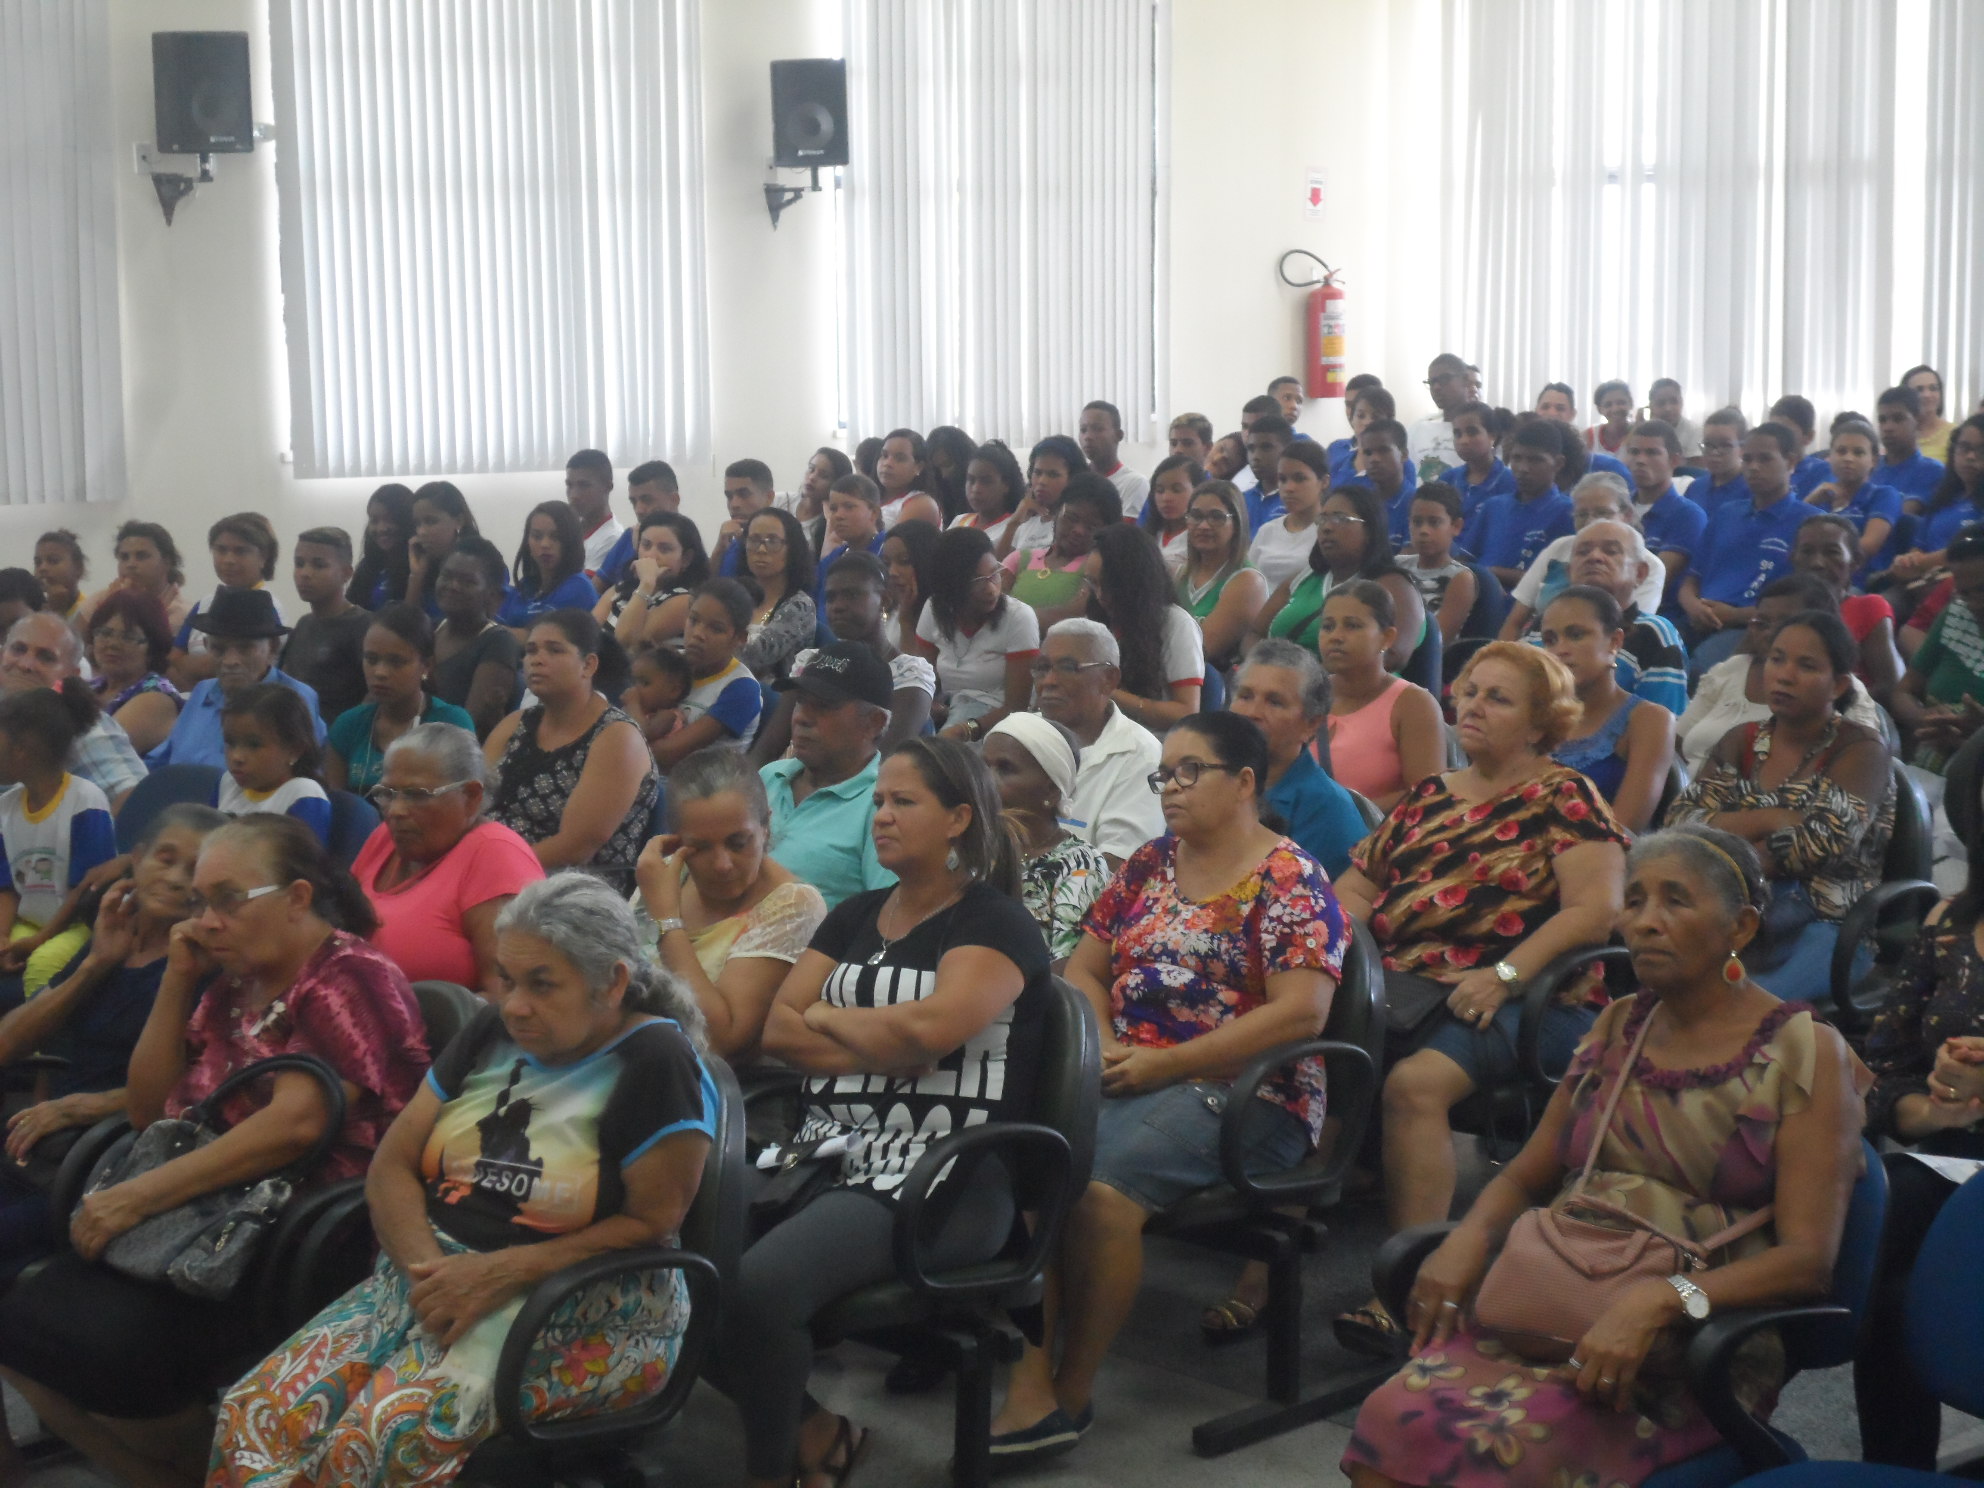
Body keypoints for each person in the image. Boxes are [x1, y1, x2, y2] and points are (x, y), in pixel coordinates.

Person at [1344, 825, 1870, 1488]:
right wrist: (1467, 1239)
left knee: (1506, 1451)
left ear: (1739, 927)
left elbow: (1807, 1262)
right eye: (1636, 899)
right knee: (1392, 1418)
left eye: (1675, 901)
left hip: (1690, 1343)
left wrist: (1663, 1300)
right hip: (1553, 1301)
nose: (1645, 922)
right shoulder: (1621, 1023)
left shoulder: (1805, 1051)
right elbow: (1529, 1173)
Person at [210, 873, 714, 1488]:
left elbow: (653, 1221)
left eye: (542, 984)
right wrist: (432, 1276)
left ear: (611, 983)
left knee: (371, 1444)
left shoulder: (655, 1060)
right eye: (506, 979)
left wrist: (498, 1273)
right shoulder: (494, 1030)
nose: (515, 1004)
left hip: (581, 1304)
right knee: (256, 1414)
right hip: (432, 1277)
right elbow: (393, 1164)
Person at [0, 815, 427, 1487]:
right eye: (200, 903)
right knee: (24, 1321)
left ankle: (203, 1463)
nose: (205, 921)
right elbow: (149, 1111)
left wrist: (135, 1197)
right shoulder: (232, 982)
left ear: (297, 898)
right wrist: (178, 981)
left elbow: (295, 1127)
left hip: (291, 1236)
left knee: (104, 1346)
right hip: (200, 1220)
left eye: (228, 900)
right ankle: (175, 1472)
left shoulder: (348, 977)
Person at [989, 713, 1349, 1460]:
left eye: (1191, 771)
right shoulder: (1151, 862)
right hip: (1128, 1066)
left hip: (1250, 1092)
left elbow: (1301, 1014)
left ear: (1244, 782)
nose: (1171, 787)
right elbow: (1085, 969)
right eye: (1165, 774)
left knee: (1099, 1193)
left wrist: (1168, 1065)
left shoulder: (1291, 879)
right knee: (1027, 1163)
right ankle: (1029, 1377)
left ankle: (1072, 1391)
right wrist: (1105, 1044)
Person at [721, 738, 1052, 1488]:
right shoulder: (856, 915)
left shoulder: (993, 923)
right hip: (824, 1149)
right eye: (878, 801)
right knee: (680, 1261)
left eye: (904, 801)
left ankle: (772, 1474)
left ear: (958, 819)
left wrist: (833, 1021)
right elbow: (780, 1030)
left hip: (944, 1171)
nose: (882, 816)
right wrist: (878, 1044)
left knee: (760, 1291)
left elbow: (928, 1033)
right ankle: (816, 1430)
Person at [1328, 643, 1628, 1356]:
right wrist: (1343, 948)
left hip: (1533, 998)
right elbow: (1358, 886)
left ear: (1540, 722)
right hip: (1405, 988)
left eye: (1498, 698)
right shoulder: (1431, 793)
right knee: (1305, 1035)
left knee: (1415, 1085)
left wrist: (1505, 975)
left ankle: (1411, 1288)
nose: (1473, 707)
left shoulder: (1566, 797)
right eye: (1469, 692)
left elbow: (1595, 911)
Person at [0, 804, 225, 1281]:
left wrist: (88, 1107)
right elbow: (8, 1044)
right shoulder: (111, 939)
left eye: (194, 870)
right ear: (136, 859)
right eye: (165, 859)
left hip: (105, 1162)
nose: (176, 879)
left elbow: (201, 1094)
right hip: (34, 1142)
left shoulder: (205, 966)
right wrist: (95, 964)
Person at [1667, 609, 1893, 999]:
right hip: (1733, 912)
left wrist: (1724, 847)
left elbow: (1819, 845)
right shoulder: (1741, 739)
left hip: (1827, 925)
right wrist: (1774, 818)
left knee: (1738, 1008)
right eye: (1777, 659)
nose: (1785, 675)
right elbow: (1681, 823)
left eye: (1806, 665)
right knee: (1663, 989)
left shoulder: (1860, 749)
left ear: (1839, 684)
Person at [1855, 833, 1984, 1468]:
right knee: (1874, 1217)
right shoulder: (1948, 922)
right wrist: (1936, 1109)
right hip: (1955, 1155)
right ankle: (1895, 1468)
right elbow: (1882, 1068)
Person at [634, 746, 827, 1060]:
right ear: (675, 841)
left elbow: (719, 1040)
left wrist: (667, 922)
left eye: (738, 843)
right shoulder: (665, 877)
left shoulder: (793, 904)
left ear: (766, 828)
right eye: (700, 848)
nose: (722, 864)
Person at [350, 722, 542, 996]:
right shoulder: (385, 838)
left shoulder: (496, 856)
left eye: (417, 795)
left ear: (471, 796)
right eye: (387, 794)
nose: (396, 810)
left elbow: (509, 998)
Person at [486, 610, 658, 895]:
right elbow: (472, 800)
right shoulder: (516, 723)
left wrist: (493, 867)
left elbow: (575, 848)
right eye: (531, 650)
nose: (536, 659)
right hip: (495, 867)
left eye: (554, 650)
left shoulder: (617, 736)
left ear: (588, 665)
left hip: (569, 890)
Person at [1678, 574, 1885, 775]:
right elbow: (1676, 744)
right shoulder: (1731, 669)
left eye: (1785, 624)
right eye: (1762, 623)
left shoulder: (1843, 688)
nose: (1770, 633)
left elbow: (1864, 763)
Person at [753, 551, 936, 762]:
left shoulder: (908, 673)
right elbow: (767, 749)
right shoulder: (813, 662)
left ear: (884, 600)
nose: (838, 606)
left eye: (852, 595)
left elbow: (883, 762)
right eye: (831, 597)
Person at [758, 642, 896, 910]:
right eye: (800, 702)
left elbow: (883, 917)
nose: (801, 718)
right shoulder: (770, 776)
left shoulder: (883, 806)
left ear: (874, 722)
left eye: (823, 706)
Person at [0, 682, 116, 999]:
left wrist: (39, 941)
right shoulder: (6, 807)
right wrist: (3, 936)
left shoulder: (85, 801)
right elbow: (6, 887)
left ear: (21, 749)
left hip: (79, 926)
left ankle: (36, 1033)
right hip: (29, 921)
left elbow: (86, 892)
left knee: (43, 964)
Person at [1677, 422, 1814, 673]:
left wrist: (1734, 615)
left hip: (1753, 626)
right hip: (1698, 618)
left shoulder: (1809, 524)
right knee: (1646, 654)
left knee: (1700, 670)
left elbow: (1804, 603)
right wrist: (1694, 607)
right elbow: (1690, 580)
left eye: (1765, 459)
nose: (1753, 467)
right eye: (1747, 459)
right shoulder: (1727, 513)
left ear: (1791, 462)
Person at [1251, 481, 1428, 675]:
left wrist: (1309, 679)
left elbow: (1394, 655)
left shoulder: (1394, 585)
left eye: (1340, 518)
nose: (1326, 527)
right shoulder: (1303, 578)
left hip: (1355, 689)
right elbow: (1254, 633)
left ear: (1370, 529)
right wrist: (1260, 666)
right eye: (1322, 519)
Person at [1540, 587, 1677, 833]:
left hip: (1602, 852)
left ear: (1615, 641)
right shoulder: (1534, 717)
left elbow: (1622, 830)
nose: (1560, 650)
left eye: (1576, 635)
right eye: (1550, 640)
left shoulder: (1648, 719)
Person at [1229, 639, 1370, 877]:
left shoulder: (1328, 812)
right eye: (1245, 696)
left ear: (1311, 724)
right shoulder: (1206, 780)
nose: (1252, 713)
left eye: (1275, 702)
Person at [1032, 619, 1164, 869]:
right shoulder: (1018, 737)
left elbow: (1120, 866)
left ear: (1109, 679)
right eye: (1042, 668)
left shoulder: (1140, 754)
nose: (1048, 681)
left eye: (1068, 667)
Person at [149, 588, 326, 771]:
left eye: (245, 649)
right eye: (219, 649)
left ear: (272, 648)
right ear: (206, 646)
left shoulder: (295, 699)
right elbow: (161, 760)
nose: (230, 661)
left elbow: (307, 775)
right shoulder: (202, 692)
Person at [979, 713, 1107, 964]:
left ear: (1050, 789)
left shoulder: (1079, 865)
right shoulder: (966, 848)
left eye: (1005, 768)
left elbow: (1067, 969)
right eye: (984, 767)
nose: (986, 781)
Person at [1320, 581, 1448, 812]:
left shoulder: (1413, 705)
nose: (1335, 636)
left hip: (1376, 832)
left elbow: (1427, 796)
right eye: (1328, 626)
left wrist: (1345, 815)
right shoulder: (1308, 694)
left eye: (1352, 626)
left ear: (1387, 638)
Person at [0, 614, 147, 810]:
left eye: (45, 657)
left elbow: (139, 802)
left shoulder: (82, 725)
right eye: (18, 649)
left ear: (72, 674)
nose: (25, 664)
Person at [325, 603, 476, 793]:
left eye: (396, 662)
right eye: (371, 659)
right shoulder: (348, 725)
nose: (380, 672)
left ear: (427, 665)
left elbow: (463, 800)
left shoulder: (451, 724)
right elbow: (337, 804)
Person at [1498, 473, 1664, 639]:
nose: (1591, 521)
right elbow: (1515, 622)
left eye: (1602, 512)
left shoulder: (1647, 564)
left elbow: (1633, 626)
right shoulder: (1559, 547)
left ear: (1627, 515)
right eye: (1582, 514)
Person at [914, 526, 1039, 741]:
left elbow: (1017, 707)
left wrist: (967, 729)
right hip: (949, 711)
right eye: (977, 580)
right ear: (950, 584)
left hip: (996, 722)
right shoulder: (934, 608)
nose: (991, 589)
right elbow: (923, 679)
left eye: (994, 574)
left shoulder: (1019, 617)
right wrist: (932, 705)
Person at [1083, 523, 1204, 733]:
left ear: (1135, 582)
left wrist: (1106, 692)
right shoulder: (1097, 616)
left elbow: (1186, 713)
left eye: (1110, 585)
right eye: (1093, 583)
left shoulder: (1175, 623)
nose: (1100, 595)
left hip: (1151, 740)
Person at [645, 579, 766, 770]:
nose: (698, 634)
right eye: (693, 620)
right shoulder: (669, 664)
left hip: (700, 783)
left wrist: (624, 740)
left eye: (716, 629)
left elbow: (668, 754)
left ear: (740, 638)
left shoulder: (742, 688)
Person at [1792, 512, 1903, 706]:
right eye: (1807, 552)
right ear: (1793, 558)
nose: (1817, 563)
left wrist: (1824, 709)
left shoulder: (1868, 607)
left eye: (1832, 552)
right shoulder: (1781, 608)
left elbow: (1889, 685)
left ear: (1855, 561)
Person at [169, 513, 285, 691]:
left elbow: (219, 666)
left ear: (263, 557)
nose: (228, 560)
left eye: (240, 551)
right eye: (221, 550)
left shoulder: (269, 607)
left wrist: (194, 667)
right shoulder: (204, 604)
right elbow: (174, 660)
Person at [429, 535, 523, 740]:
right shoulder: (430, 629)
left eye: (467, 581)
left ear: (491, 594)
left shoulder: (498, 642)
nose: (453, 586)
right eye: (446, 576)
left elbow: (468, 729)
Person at [216, 684, 333, 844]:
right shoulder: (227, 783)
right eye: (230, 743)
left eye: (254, 745)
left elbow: (303, 859)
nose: (236, 757)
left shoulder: (302, 794)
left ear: (294, 750)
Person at [1005, 473, 1122, 631]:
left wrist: (1011, 618)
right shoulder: (1020, 558)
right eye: (1071, 518)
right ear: (1057, 513)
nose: (1078, 531)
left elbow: (1070, 618)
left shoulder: (1096, 569)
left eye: (1092, 526)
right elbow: (991, 605)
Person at [280, 527, 372, 726]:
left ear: (346, 573)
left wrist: (345, 735)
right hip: (296, 734)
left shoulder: (364, 626)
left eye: (319, 565)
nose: (305, 573)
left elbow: (374, 693)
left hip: (338, 737)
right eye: (299, 564)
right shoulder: (303, 624)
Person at [1471, 420, 1578, 591]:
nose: (1523, 468)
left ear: (1558, 464)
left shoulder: (1570, 513)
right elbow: (1465, 561)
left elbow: (1564, 580)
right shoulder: (1492, 507)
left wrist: (1493, 573)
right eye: (1516, 458)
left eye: (1535, 460)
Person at [1178, 480, 1269, 674]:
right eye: (1196, 516)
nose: (1203, 525)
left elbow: (1201, 650)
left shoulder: (1247, 582)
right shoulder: (1178, 575)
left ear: (1236, 524)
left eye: (1216, 517)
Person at [83, 588, 184, 756]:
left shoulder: (156, 697)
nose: (113, 644)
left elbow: (98, 754)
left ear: (153, 646)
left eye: (128, 637)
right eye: (105, 633)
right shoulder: (90, 688)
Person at [593, 511, 709, 651]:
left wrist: (646, 583)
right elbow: (587, 635)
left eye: (664, 549)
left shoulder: (685, 600)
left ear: (686, 559)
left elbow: (626, 642)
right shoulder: (621, 588)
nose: (651, 555)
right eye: (646, 545)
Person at [1890, 412, 1984, 582]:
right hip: (1924, 580)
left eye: (1981, 450)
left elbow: (1972, 551)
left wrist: (1921, 563)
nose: (1970, 456)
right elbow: (1918, 547)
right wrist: (1908, 560)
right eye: (1964, 447)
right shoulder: (1943, 498)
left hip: (1968, 585)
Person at [1801, 417, 1902, 575]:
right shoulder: (1821, 496)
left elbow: (1869, 545)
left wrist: (1823, 558)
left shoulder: (1884, 495)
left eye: (1858, 452)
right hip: (1814, 577)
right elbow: (1791, 538)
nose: (1848, 458)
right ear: (1830, 456)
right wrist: (1810, 501)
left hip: (1860, 580)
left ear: (1874, 461)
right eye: (1841, 451)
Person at [1623, 418, 1707, 603]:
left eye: (1652, 453)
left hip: (1658, 612)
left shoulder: (1687, 515)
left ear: (1675, 460)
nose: (1640, 460)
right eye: (1634, 452)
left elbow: (1653, 580)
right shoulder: (1618, 508)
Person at [737, 507, 818, 684]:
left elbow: (758, 656)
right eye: (754, 540)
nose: (761, 549)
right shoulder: (735, 595)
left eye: (772, 541)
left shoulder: (800, 605)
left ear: (792, 549)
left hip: (774, 694)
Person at [1397, 482, 1478, 649]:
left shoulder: (1461, 578)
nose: (1423, 530)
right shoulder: (1396, 565)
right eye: (1417, 522)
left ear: (1456, 526)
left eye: (1434, 522)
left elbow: (1436, 642)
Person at [500, 500, 600, 635]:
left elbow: (538, 639)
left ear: (571, 542)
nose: (545, 544)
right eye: (537, 536)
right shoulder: (526, 585)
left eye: (555, 537)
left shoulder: (578, 588)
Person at [80, 520, 190, 635]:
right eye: (124, 557)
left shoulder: (183, 615)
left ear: (167, 561)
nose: (130, 564)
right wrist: (110, 607)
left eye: (141, 556)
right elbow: (72, 642)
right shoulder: (101, 599)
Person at [594, 458, 688, 589]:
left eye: (647, 500)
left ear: (674, 500)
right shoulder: (629, 536)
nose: (639, 509)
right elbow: (596, 587)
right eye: (634, 502)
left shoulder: (687, 539)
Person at [1249, 438, 1330, 589]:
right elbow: (1248, 581)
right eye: (1282, 479)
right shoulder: (1267, 531)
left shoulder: (1330, 532)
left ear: (1324, 482)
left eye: (1299, 479)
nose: (1289, 488)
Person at [998, 434, 1087, 560]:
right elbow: (999, 567)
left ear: (1072, 479)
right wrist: (1013, 523)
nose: (1042, 481)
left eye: (1053, 475)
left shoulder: (1075, 527)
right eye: (1037, 472)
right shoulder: (1026, 523)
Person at [812, 473, 888, 610]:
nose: (838, 515)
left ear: (874, 513)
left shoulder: (888, 551)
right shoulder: (834, 558)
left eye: (849, 507)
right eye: (833, 509)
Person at [1342, 418, 1421, 545]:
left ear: (1404, 455)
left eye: (1383, 450)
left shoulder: (1417, 505)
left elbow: (1410, 556)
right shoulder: (1358, 503)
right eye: (1368, 453)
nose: (1374, 459)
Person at [1871, 384, 1949, 507]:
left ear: (1918, 421)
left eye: (1898, 419)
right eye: (1882, 420)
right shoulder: (1869, 469)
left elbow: (1903, 514)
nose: (1888, 427)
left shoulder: (1933, 471)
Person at [1406, 352, 1477, 481]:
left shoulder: (1480, 428)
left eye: (1444, 379)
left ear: (1465, 380)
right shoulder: (1418, 428)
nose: (1436, 387)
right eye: (1432, 382)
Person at [1445, 401, 1517, 529]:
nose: (1463, 440)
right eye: (1458, 434)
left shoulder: (1511, 482)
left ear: (1492, 436)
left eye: (1472, 432)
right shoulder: (1447, 480)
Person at [346, 483, 415, 607]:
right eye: (374, 520)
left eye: (390, 519)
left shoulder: (422, 566)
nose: (381, 528)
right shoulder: (367, 567)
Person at [948, 439, 1026, 549]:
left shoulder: (1017, 528)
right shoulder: (959, 521)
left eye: (986, 481)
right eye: (971, 480)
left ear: (1006, 485)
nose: (975, 489)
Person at [880, 517, 940, 658]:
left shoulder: (940, 614)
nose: (892, 572)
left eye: (904, 561)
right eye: (886, 563)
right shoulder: (888, 608)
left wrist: (906, 623)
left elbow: (913, 669)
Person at [1079, 398, 1149, 516]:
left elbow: (1124, 527)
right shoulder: (1074, 478)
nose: (1088, 437)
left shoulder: (1134, 483)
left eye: (1098, 429)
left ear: (1118, 435)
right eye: (1083, 430)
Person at [714, 458, 778, 578]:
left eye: (743, 495)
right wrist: (719, 549)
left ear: (768, 497)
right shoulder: (729, 546)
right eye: (729, 496)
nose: (734, 504)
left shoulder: (783, 546)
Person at [565, 447, 624, 574]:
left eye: (584, 485)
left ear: (607, 487)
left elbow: (582, 587)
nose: (574, 495)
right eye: (569, 485)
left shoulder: (613, 539)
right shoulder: (568, 531)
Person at [1139, 453, 1201, 573]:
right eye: (1160, 490)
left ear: (1197, 490)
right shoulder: (1148, 535)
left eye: (1177, 490)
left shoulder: (1199, 538)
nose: (1166, 498)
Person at [874, 428, 945, 530]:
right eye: (884, 456)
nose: (887, 463)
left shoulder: (922, 504)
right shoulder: (869, 497)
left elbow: (894, 540)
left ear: (918, 467)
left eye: (900, 458)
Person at [1238, 414, 1296, 532]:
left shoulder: (1296, 500)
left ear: (1287, 449)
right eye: (1251, 449)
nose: (1255, 456)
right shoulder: (1241, 500)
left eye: (1266, 447)